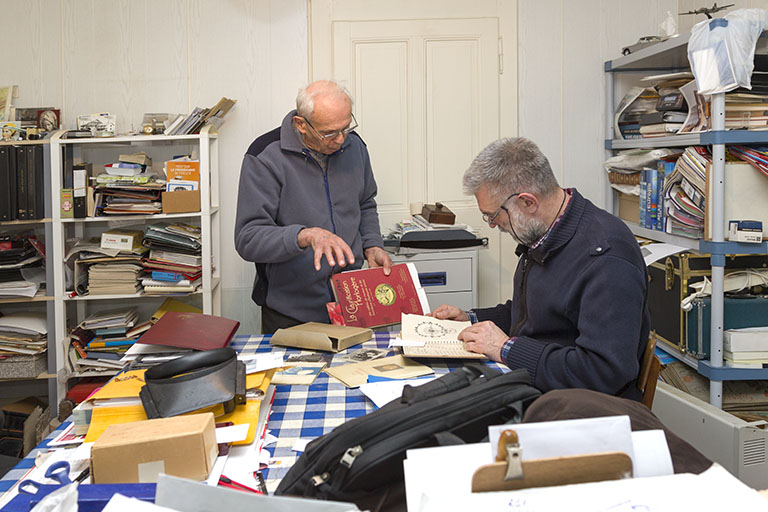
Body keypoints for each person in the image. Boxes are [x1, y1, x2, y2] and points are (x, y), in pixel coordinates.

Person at [432, 137, 650, 401]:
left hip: (583, 411)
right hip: (538, 387)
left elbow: (602, 373)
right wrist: (471, 319)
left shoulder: (607, 258)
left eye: (493, 215)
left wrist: (505, 348)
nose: (492, 225)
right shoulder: (545, 234)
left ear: (527, 202)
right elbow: (535, 315)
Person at [235, 80, 392, 334]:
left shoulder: (355, 147)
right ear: (301, 125)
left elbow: (364, 203)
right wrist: (304, 235)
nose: (341, 140)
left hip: (352, 304)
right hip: (291, 313)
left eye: (346, 127)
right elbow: (248, 238)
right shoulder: (264, 156)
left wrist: (372, 244)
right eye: (330, 133)